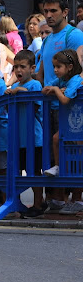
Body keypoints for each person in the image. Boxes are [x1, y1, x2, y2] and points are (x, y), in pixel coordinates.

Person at [3, 49, 44, 217]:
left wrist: (18, 92)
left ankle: (38, 204)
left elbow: (35, 103)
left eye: (23, 67)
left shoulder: (34, 84)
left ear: (32, 68)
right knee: (17, 170)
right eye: (16, 67)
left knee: (34, 171)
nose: (19, 70)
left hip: (33, 138)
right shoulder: (15, 87)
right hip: (18, 138)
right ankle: (16, 202)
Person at [42, 49, 83, 213]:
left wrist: (57, 91)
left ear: (70, 66)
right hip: (70, 125)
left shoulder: (74, 80)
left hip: (77, 125)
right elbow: (48, 87)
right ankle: (58, 167)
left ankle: (78, 199)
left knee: (78, 158)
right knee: (56, 140)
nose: (55, 70)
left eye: (58, 66)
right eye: (54, 66)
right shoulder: (63, 79)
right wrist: (52, 88)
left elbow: (65, 99)